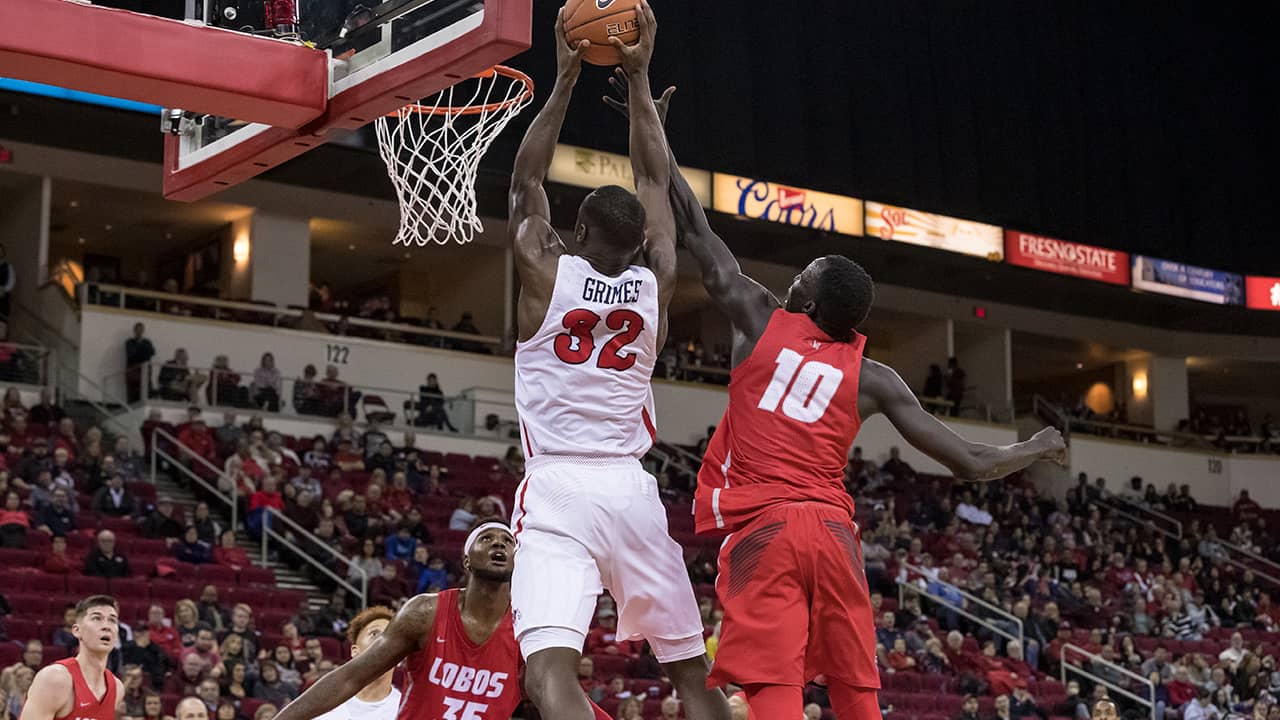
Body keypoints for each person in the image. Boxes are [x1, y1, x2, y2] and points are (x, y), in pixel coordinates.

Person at [652, 67, 1066, 720]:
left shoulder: (760, 317)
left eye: (801, 278)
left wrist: (650, 125)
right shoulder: (875, 377)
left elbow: (691, 222)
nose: (791, 281)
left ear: (807, 300)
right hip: (835, 534)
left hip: (766, 526)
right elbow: (972, 465)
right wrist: (1037, 446)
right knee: (856, 689)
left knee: (774, 687)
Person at [506, 8, 726, 720]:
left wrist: (566, 74)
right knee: (693, 678)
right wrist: (640, 83)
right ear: (636, 245)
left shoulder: (546, 271)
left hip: (559, 488)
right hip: (632, 490)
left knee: (550, 673)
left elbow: (524, 183)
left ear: (575, 232)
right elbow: (656, 183)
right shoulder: (656, 281)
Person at [273, 524, 611, 720]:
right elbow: (351, 676)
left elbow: (564, 696)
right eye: (487, 538)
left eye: (508, 541)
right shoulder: (426, 612)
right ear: (466, 558)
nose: (498, 544)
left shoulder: (527, 631)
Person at [17, 595, 126, 720]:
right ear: (77, 630)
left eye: (112, 620)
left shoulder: (117, 688)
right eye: (97, 618)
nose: (106, 626)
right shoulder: (54, 679)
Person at [125, 323, 156, 403]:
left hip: (145, 371)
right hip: (133, 371)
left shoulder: (147, 342)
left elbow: (152, 352)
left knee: (146, 391)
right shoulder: (129, 342)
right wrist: (143, 352)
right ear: (134, 330)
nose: (139, 331)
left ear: (143, 331)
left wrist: (140, 351)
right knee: (133, 393)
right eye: (137, 329)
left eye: (141, 329)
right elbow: (131, 354)